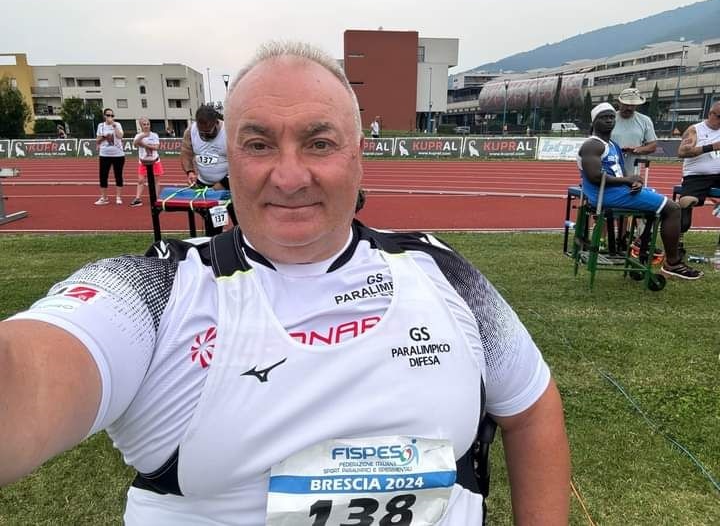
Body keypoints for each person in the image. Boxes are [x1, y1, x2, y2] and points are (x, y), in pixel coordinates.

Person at [0, 41, 571, 524]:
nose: (290, 176)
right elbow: (25, 379)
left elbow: (531, 406)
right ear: (229, 159)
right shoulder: (158, 293)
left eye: (319, 143)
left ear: (359, 156)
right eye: (259, 144)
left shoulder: (442, 271)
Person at [578, 102, 702, 280]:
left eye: (611, 117)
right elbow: (595, 177)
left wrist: (632, 182)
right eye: (603, 117)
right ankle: (672, 263)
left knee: (660, 204)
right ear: (594, 122)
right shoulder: (592, 145)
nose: (609, 120)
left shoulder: (612, 145)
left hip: (618, 192)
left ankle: (641, 243)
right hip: (606, 196)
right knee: (673, 209)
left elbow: (621, 173)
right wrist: (627, 181)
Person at [610, 87, 660, 259]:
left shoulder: (644, 120)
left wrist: (637, 149)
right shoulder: (610, 118)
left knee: (628, 203)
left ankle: (622, 238)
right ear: (619, 102)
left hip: (633, 168)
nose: (629, 108)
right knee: (606, 205)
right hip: (610, 167)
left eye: (633, 105)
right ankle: (603, 239)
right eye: (626, 104)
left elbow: (652, 145)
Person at [180, 104, 237, 231]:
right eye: (202, 132)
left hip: (230, 187)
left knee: (240, 225)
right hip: (206, 187)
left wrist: (223, 183)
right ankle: (215, 239)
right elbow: (186, 152)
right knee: (213, 227)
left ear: (216, 122)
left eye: (208, 132)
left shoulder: (230, 132)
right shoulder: (191, 131)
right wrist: (190, 172)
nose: (205, 135)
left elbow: (241, 162)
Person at [676, 100, 720, 245]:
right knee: (687, 201)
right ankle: (679, 238)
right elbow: (682, 152)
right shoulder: (695, 130)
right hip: (697, 175)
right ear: (711, 114)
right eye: (719, 117)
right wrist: (712, 147)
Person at [94, 108, 125, 205]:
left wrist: (114, 126)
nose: (110, 117)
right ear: (104, 116)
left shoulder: (117, 124)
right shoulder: (101, 126)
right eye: (108, 115)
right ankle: (104, 197)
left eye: (112, 115)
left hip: (118, 154)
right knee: (103, 176)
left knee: (118, 175)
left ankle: (118, 197)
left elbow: (120, 136)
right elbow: (97, 140)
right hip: (104, 154)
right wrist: (104, 137)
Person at [130, 117, 163, 207]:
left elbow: (156, 147)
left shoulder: (154, 135)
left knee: (156, 181)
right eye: (144, 124)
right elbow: (135, 144)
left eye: (148, 124)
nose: (146, 126)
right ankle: (137, 199)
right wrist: (142, 137)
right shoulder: (138, 136)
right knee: (140, 180)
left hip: (155, 161)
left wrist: (144, 145)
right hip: (143, 162)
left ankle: (156, 198)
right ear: (141, 126)